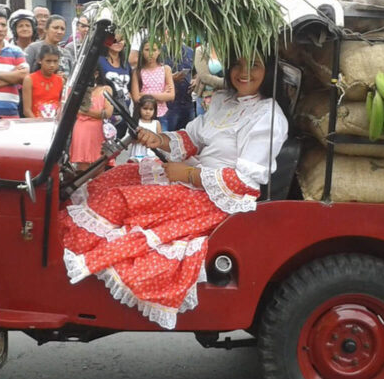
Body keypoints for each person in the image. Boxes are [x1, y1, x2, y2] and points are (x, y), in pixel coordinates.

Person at [62, 55, 289, 329]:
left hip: (217, 197)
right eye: (238, 65)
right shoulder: (224, 101)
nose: (244, 73)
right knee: (114, 177)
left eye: (254, 65)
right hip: (196, 178)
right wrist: (158, 139)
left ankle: (74, 278)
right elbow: (193, 138)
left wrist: (190, 175)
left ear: (270, 70)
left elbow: (247, 182)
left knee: (118, 199)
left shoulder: (268, 116)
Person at [70, 68, 112, 171]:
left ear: (96, 74)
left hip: (99, 131)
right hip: (81, 130)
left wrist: (84, 112)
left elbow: (108, 113)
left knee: (99, 164)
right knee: (82, 166)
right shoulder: (75, 89)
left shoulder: (106, 89)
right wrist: (97, 114)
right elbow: (71, 110)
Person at [130, 41, 175, 130]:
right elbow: (136, 98)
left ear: (159, 51)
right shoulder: (137, 72)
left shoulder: (165, 69)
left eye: (154, 50)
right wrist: (162, 95)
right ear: (142, 51)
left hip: (161, 114)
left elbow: (171, 96)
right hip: (143, 116)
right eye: (147, 50)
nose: (151, 53)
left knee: (161, 141)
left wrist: (144, 94)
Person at [21, 44, 64, 118]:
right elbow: (27, 110)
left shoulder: (61, 81)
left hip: (54, 124)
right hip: (35, 124)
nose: (52, 65)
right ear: (39, 61)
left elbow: (61, 107)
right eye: (48, 61)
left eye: (55, 61)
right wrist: (38, 125)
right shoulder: (29, 79)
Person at [163, 43, 195, 131]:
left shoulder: (190, 51)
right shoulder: (161, 51)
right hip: (169, 104)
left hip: (187, 100)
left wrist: (195, 80)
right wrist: (171, 78)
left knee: (189, 134)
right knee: (169, 136)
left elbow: (195, 72)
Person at [192, 44, 225, 114]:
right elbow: (204, 77)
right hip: (206, 96)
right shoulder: (201, 50)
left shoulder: (229, 47)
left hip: (227, 96)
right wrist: (228, 83)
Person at [127, 95, 160, 162]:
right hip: (137, 153)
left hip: (151, 154)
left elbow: (160, 140)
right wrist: (139, 139)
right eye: (145, 108)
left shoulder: (156, 123)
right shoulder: (136, 123)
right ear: (139, 108)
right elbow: (131, 139)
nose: (148, 112)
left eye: (151, 109)